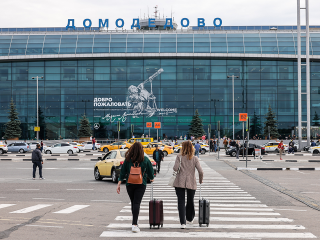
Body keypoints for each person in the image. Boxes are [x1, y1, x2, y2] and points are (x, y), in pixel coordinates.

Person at [117, 142, 154, 233]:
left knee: (133, 202)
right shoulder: (145, 159)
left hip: (129, 184)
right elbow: (150, 172)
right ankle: (134, 224)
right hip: (141, 184)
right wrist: (152, 178)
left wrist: (119, 182)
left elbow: (123, 171)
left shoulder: (128, 159)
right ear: (141, 149)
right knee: (137, 203)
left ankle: (135, 221)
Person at [173, 141, 204, 229]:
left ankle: (183, 223)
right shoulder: (195, 158)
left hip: (179, 182)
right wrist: (200, 180)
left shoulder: (179, 157)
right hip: (191, 181)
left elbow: (175, 168)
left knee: (181, 202)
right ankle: (189, 218)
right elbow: (201, 171)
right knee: (190, 200)